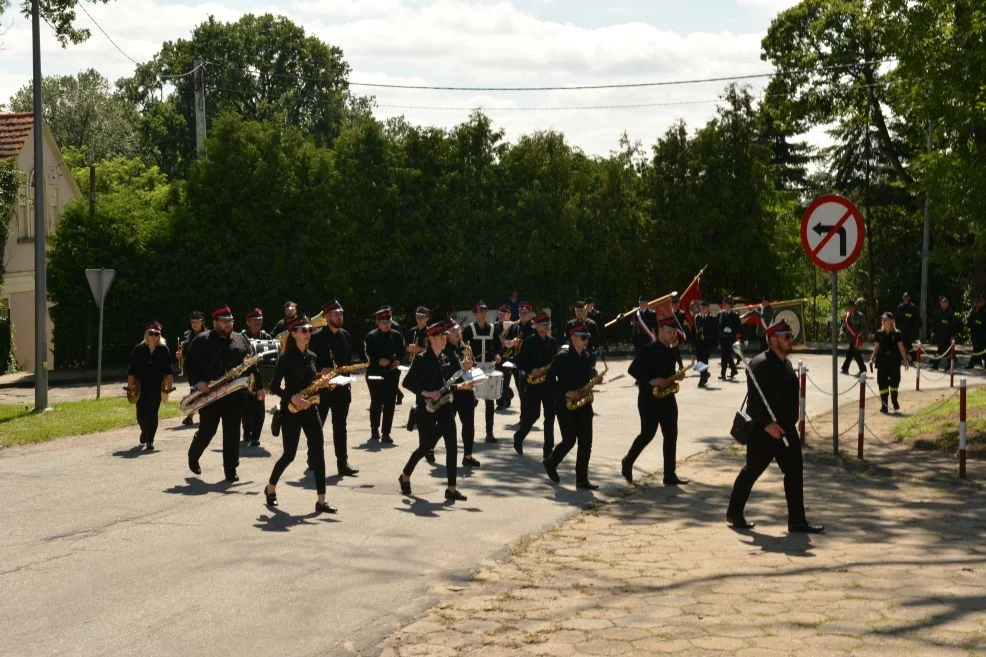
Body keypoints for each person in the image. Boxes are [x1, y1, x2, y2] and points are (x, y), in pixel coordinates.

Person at [726, 319, 824, 534]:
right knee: (751, 471)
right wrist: (766, 425)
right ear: (772, 340)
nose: (790, 341)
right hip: (765, 432)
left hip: (787, 430)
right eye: (786, 337)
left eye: (790, 336)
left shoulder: (787, 365)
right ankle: (734, 513)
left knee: (795, 471)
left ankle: (797, 521)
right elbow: (754, 403)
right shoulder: (759, 365)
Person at [264, 315, 337, 514]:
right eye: (304, 331)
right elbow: (273, 386)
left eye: (309, 331)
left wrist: (322, 382)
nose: (307, 334)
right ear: (293, 333)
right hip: (292, 411)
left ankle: (321, 500)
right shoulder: (285, 359)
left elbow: (311, 381)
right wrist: (292, 397)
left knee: (319, 451)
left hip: (310, 409)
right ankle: (271, 487)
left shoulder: (312, 356)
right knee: (289, 455)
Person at [185, 305, 264, 482]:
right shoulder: (201, 340)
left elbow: (251, 365)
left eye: (230, 321)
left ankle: (231, 470)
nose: (228, 324)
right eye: (224, 321)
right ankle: (193, 455)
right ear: (214, 323)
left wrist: (258, 387)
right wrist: (198, 382)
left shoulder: (240, 339)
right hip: (210, 395)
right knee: (207, 430)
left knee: (232, 433)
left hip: (235, 396)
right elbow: (189, 364)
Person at [398, 319, 470, 501]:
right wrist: (427, 392)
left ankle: (451, 489)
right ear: (430, 338)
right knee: (425, 446)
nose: (443, 340)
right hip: (426, 409)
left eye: (444, 336)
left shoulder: (447, 358)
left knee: (452, 445)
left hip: (445, 406)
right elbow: (407, 383)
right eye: (439, 336)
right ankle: (405, 475)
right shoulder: (422, 360)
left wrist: (463, 385)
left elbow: (450, 383)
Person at [621, 316, 688, 485]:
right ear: (660, 331)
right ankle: (628, 461)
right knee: (647, 434)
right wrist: (651, 381)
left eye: (674, 332)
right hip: (649, 398)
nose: (673, 335)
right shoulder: (648, 348)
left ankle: (669, 475)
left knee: (671, 435)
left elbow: (669, 372)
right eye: (669, 332)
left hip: (668, 397)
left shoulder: (672, 349)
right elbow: (632, 369)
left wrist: (677, 377)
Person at [543, 322, 599, 490]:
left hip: (583, 403)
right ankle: (551, 462)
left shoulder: (588, 356)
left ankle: (582, 480)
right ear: (573, 338)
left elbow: (587, 373)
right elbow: (549, 381)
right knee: (569, 440)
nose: (586, 341)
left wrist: (594, 377)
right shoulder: (562, 356)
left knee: (586, 442)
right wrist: (566, 393)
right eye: (583, 337)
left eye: (587, 337)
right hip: (565, 404)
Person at [309, 299, 362, 477]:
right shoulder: (315, 337)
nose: (339, 316)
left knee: (340, 427)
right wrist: (319, 370)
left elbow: (348, 361)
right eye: (335, 314)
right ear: (326, 317)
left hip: (341, 389)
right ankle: (313, 459)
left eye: (340, 313)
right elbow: (308, 362)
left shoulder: (345, 335)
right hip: (322, 389)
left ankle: (342, 463)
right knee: (317, 426)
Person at [512, 312, 557, 459]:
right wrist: (532, 370)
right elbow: (519, 362)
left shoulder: (552, 342)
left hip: (549, 384)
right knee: (533, 415)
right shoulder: (529, 341)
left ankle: (548, 450)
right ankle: (519, 437)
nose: (546, 327)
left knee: (550, 416)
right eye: (543, 324)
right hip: (533, 383)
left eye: (548, 324)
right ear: (536, 325)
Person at [126, 321, 175, 451]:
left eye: (156, 334)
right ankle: (144, 431)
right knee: (141, 415)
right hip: (140, 386)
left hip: (156, 386)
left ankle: (150, 440)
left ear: (160, 336)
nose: (153, 336)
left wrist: (169, 386)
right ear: (146, 334)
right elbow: (132, 370)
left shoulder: (164, 350)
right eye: (151, 333)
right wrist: (130, 385)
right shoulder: (139, 349)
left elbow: (168, 370)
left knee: (152, 413)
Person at [364, 307, 405, 444]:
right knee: (376, 402)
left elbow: (402, 353)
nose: (386, 323)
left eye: (388, 320)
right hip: (375, 374)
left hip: (391, 374)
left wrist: (399, 360)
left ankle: (386, 432)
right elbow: (366, 355)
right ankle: (374, 429)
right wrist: (377, 361)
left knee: (389, 403)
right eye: (383, 321)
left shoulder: (396, 335)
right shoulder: (371, 336)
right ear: (378, 322)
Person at [461, 301, 498, 442]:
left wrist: (496, 355)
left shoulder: (493, 329)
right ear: (475, 314)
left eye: (484, 311)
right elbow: (463, 348)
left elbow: (496, 347)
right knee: (471, 402)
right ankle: (469, 433)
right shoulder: (469, 330)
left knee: (490, 402)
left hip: (489, 368)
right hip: (474, 370)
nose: (482, 314)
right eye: (479, 311)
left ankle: (489, 433)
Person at [446, 323, 481, 467]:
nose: (457, 333)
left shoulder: (466, 347)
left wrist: (473, 367)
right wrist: (461, 365)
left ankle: (467, 456)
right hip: (453, 391)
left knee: (468, 426)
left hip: (466, 391)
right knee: (445, 425)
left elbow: (474, 366)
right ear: (447, 334)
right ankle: (429, 448)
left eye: (458, 330)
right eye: (453, 330)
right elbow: (446, 370)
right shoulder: (445, 349)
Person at [241, 308, 271, 447]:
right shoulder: (241, 338)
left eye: (260, 320)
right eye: (255, 320)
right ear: (248, 322)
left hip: (262, 377)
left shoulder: (266, 337)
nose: (258, 322)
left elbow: (273, 355)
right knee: (246, 409)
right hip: (246, 377)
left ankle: (256, 437)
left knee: (259, 408)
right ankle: (247, 432)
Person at [869, 312, 909, 414]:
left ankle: (894, 399)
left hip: (894, 361)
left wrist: (905, 360)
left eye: (885, 319)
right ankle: (884, 405)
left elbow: (901, 348)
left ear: (891, 321)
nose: (883, 321)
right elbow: (876, 347)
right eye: (882, 319)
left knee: (894, 382)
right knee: (882, 382)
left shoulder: (897, 334)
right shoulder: (879, 333)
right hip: (882, 361)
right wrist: (872, 358)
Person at [404, 306, 431, 444]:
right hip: (415, 364)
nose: (419, 319)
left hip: (426, 366)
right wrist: (409, 349)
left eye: (422, 317)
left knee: (423, 391)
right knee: (416, 390)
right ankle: (419, 414)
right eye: (418, 316)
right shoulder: (413, 331)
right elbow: (407, 347)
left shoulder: (430, 332)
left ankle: (420, 415)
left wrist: (419, 349)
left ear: (427, 318)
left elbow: (431, 349)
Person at [179, 310, 207, 425]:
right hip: (192, 369)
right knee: (195, 391)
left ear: (202, 322)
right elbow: (185, 352)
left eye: (197, 321)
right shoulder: (187, 335)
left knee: (198, 392)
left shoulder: (208, 335)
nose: (194, 324)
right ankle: (192, 416)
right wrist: (180, 354)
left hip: (205, 368)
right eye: (192, 322)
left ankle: (191, 416)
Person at [493, 304, 517, 410]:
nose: (501, 316)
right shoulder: (494, 326)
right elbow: (492, 343)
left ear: (509, 314)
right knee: (498, 379)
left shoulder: (514, 326)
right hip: (498, 357)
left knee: (506, 379)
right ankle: (508, 395)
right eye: (500, 314)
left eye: (504, 314)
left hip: (510, 356)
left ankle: (501, 402)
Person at [565, 300, 602, 365]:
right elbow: (567, 339)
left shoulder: (591, 324)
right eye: (577, 310)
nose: (579, 313)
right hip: (573, 354)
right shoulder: (570, 325)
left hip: (587, 354)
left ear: (585, 311)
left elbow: (596, 341)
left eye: (581, 310)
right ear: (574, 311)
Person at [930, 295, 958, 371]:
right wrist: (933, 332)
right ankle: (936, 365)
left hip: (947, 336)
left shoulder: (950, 313)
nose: (943, 304)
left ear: (948, 304)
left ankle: (948, 365)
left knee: (947, 350)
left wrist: (952, 335)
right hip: (939, 335)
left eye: (945, 303)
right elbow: (935, 323)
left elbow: (953, 325)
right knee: (940, 350)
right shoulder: (938, 312)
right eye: (942, 303)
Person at [694, 301, 717, 388]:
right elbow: (697, 328)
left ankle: (702, 378)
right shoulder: (697, 317)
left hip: (707, 342)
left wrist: (715, 343)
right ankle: (705, 374)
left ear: (708, 308)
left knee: (705, 360)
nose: (703, 309)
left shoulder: (712, 318)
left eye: (705, 308)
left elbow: (714, 330)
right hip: (699, 342)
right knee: (699, 361)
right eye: (702, 308)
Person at [718, 296, 741, 380]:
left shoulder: (735, 315)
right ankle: (730, 371)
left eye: (726, 304)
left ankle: (727, 372)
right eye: (724, 304)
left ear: (730, 305)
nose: (724, 305)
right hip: (723, 338)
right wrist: (723, 329)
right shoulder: (721, 314)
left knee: (726, 355)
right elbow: (719, 324)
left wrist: (731, 329)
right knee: (725, 356)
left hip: (731, 338)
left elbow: (738, 326)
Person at [841, 298, 866, 375]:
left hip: (858, 338)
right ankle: (862, 369)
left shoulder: (860, 316)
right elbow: (844, 326)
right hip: (851, 338)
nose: (850, 309)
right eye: (849, 307)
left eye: (851, 307)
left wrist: (864, 336)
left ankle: (845, 368)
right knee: (854, 353)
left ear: (855, 307)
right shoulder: (847, 316)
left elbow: (864, 327)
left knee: (852, 353)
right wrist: (842, 332)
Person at [895, 291, 920, 362]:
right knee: (901, 343)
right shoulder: (900, 307)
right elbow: (896, 317)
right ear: (903, 298)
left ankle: (912, 356)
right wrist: (895, 327)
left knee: (908, 344)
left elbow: (916, 317)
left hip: (909, 329)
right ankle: (904, 356)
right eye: (904, 297)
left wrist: (919, 323)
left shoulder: (912, 307)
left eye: (907, 297)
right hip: (900, 329)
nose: (906, 298)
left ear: (909, 298)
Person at [967, 296, 986, 369]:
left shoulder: (984, 312)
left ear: (981, 303)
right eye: (975, 303)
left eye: (978, 302)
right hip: (974, 334)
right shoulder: (973, 311)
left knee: (978, 349)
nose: (976, 304)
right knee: (979, 350)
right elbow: (970, 321)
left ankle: (970, 364)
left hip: (982, 335)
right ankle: (973, 364)